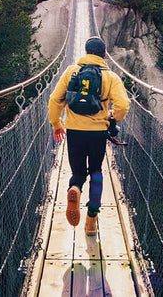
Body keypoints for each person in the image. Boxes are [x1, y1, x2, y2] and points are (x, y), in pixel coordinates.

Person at [48, 36, 130, 235]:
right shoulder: (110, 77)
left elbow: (54, 99)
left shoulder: (71, 72)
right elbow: (123, 106)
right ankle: (91, 219)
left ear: (85, 53)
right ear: (104, 54)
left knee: (78, 172)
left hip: (74, 131)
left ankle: (74, 188)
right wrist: (112, 116)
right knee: (96, 173)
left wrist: (57, 124)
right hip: (97, 134)